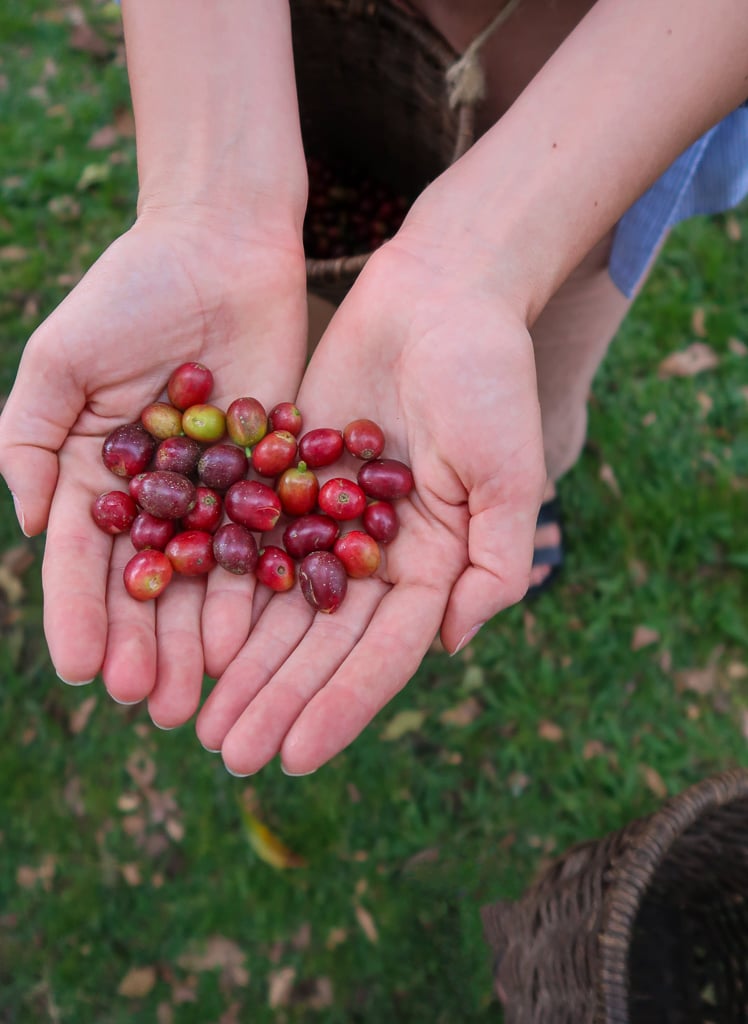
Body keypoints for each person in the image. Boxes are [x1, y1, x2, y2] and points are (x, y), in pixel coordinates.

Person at [0, 0, 746, 778]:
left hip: (650, 79)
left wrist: (483, 264)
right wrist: (208, 199)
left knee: (543, 357)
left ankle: (539, 472)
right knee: (355, 358)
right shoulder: (251, 468)